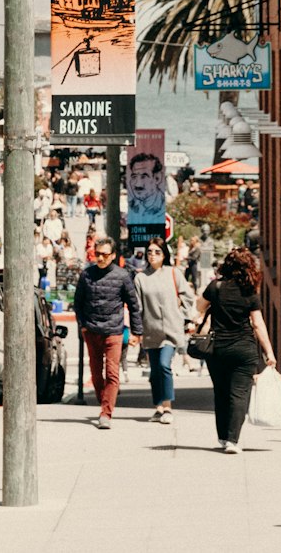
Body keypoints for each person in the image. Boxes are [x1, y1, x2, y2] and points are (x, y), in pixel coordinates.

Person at [195, 246, 276, 453]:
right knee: (239, 394)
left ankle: (223, 437)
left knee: (221, 393)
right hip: (243, 349)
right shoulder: (250, 292)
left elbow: (199, 307)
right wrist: (269, 352)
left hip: (218, 349)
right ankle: (233, 440)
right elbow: (258, 324)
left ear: (226, 266)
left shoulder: (216, 287)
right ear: (249, 268)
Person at [73, 235, 142, 428]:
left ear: (113, 256)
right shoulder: (86, 275)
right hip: (92, 330)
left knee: (112, 373)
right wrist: (83, 325)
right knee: (96, 374)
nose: (100, 258)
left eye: (104, 254)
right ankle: (103, 399)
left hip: (114, 331)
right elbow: (77, 303)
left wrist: (137, 332)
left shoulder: (122, 276)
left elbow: (134, 305)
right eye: (97, 254)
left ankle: (106, 413)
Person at [134, 238, 196, 424]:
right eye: (150, 252)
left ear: (164, 255)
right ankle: (158, 407)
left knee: (164, 365)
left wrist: (182, 316)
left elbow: (188, 297)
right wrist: (137, 330)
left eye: (157, 252)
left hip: (171, 330)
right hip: (151, 331)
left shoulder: (173, 273)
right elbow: (138, 306)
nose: (152, 255)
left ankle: (167, 407)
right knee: (154, 372)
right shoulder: (140, 278)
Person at [127, 152, 166, 220]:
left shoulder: (164, 206)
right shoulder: (131, 206)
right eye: (134, 176)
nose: (138, 184)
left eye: (144, 176)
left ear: (157, 178)